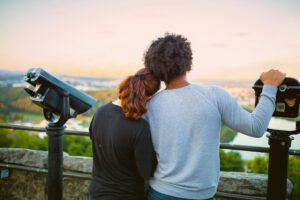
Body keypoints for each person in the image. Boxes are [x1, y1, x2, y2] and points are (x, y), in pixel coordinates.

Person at [143, 33, 286, 200]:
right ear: (188, 61)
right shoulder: (214, 95)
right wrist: (270, 87)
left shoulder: (150, 105)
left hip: (160, 192)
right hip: (202, 195)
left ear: (154, 68)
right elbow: (256, 127)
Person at [88, 68, 161, 200]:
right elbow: (145, 171)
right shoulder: (139, 126)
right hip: (126, 195)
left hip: (96, 193)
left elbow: (95, 140)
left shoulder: (100, 112)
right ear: (148, 97)